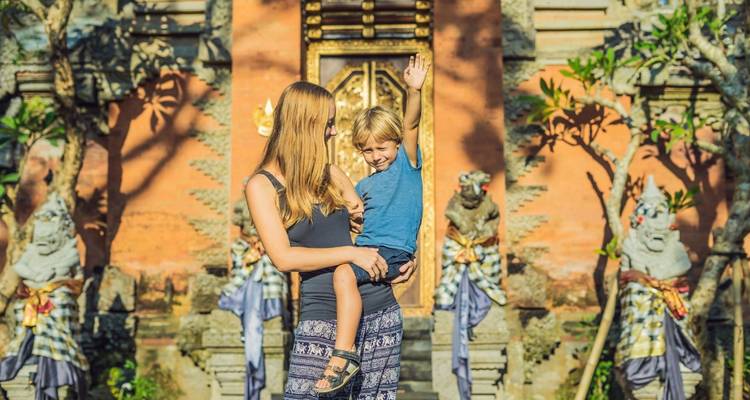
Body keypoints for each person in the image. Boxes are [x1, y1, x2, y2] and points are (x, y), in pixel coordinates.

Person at [244, 81, 416, 399]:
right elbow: (284, 258)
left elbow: (377, 224)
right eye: (329, 123)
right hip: (320, 316)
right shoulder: (262, 186)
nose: (334, 132)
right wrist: (352, 253)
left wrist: (401, 256)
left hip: (378, 311)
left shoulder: (332, 174)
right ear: (306, 125)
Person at [315, 54, 430, 394]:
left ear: (396, 143)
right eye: (367, 150)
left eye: (382, 147)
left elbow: (411, 124)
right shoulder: (363, 187)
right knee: (341, 272)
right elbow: (356, 224)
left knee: (343, 273)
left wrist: (414, 90)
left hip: (392, 250)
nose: (376, 155)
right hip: (369, 249)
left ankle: (344, 352)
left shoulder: (407, 166)